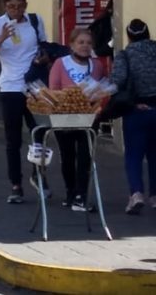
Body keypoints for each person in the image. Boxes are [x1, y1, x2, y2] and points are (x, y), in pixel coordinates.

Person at [0, 0, 49, 204]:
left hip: (34, 86)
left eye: (20, 6)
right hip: (10, 87)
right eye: (11, 7)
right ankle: (16, 184)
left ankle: (38, 174)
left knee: (40, 133)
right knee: (13, 140)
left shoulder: (35, 21)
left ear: (26, 5)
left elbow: (44, 48)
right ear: (5, 7)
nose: (16, 11)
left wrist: (42, 59)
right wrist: (1, 37)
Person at [48, 28, 106, 212]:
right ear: (72, 44)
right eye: (81, 42)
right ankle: (70, 192)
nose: (85, 46)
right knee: (67, 156)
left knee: (85, 156)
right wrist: (71, 96)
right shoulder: (60, 63)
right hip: (64, 116)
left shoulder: (97, 65)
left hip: (88, 117)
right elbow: (53, 89)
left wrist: (97, 101)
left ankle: (81, 195)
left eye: (88, 43)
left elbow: (102, 89)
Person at [109, 19, 156, 215]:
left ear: (128, 36)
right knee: (155, 155)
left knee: (134, 156)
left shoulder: (125, 55)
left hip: (136, 110)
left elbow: (118, 81)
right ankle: (155, 196)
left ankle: (136, 194)